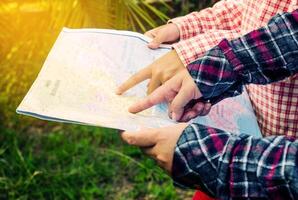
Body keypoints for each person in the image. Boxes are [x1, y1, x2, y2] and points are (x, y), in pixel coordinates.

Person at [119, 9, 298, 199]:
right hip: (241, 139)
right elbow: (255, 10)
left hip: (250, 174)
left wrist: (211, 158)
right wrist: (191, 33)